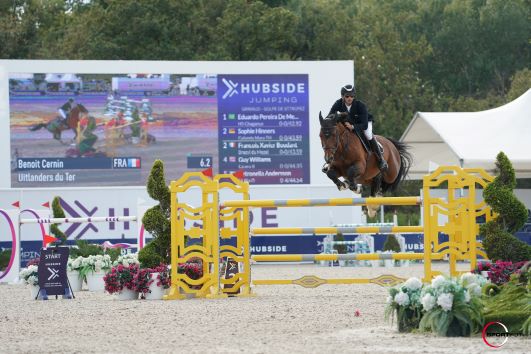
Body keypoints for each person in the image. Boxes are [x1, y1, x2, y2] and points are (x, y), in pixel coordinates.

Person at [328, 84, 388, 171]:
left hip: (364, 123)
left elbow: (364, 125)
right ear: (342, 96)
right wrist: (331, 119)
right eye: (347, 96)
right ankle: (331, 161)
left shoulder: (360, 105)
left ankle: (381, 159)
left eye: (352, 96)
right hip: (349, 124)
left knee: (368, 134)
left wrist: (353, 127)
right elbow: (329, 116)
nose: (349, 98)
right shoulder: (338, 104)